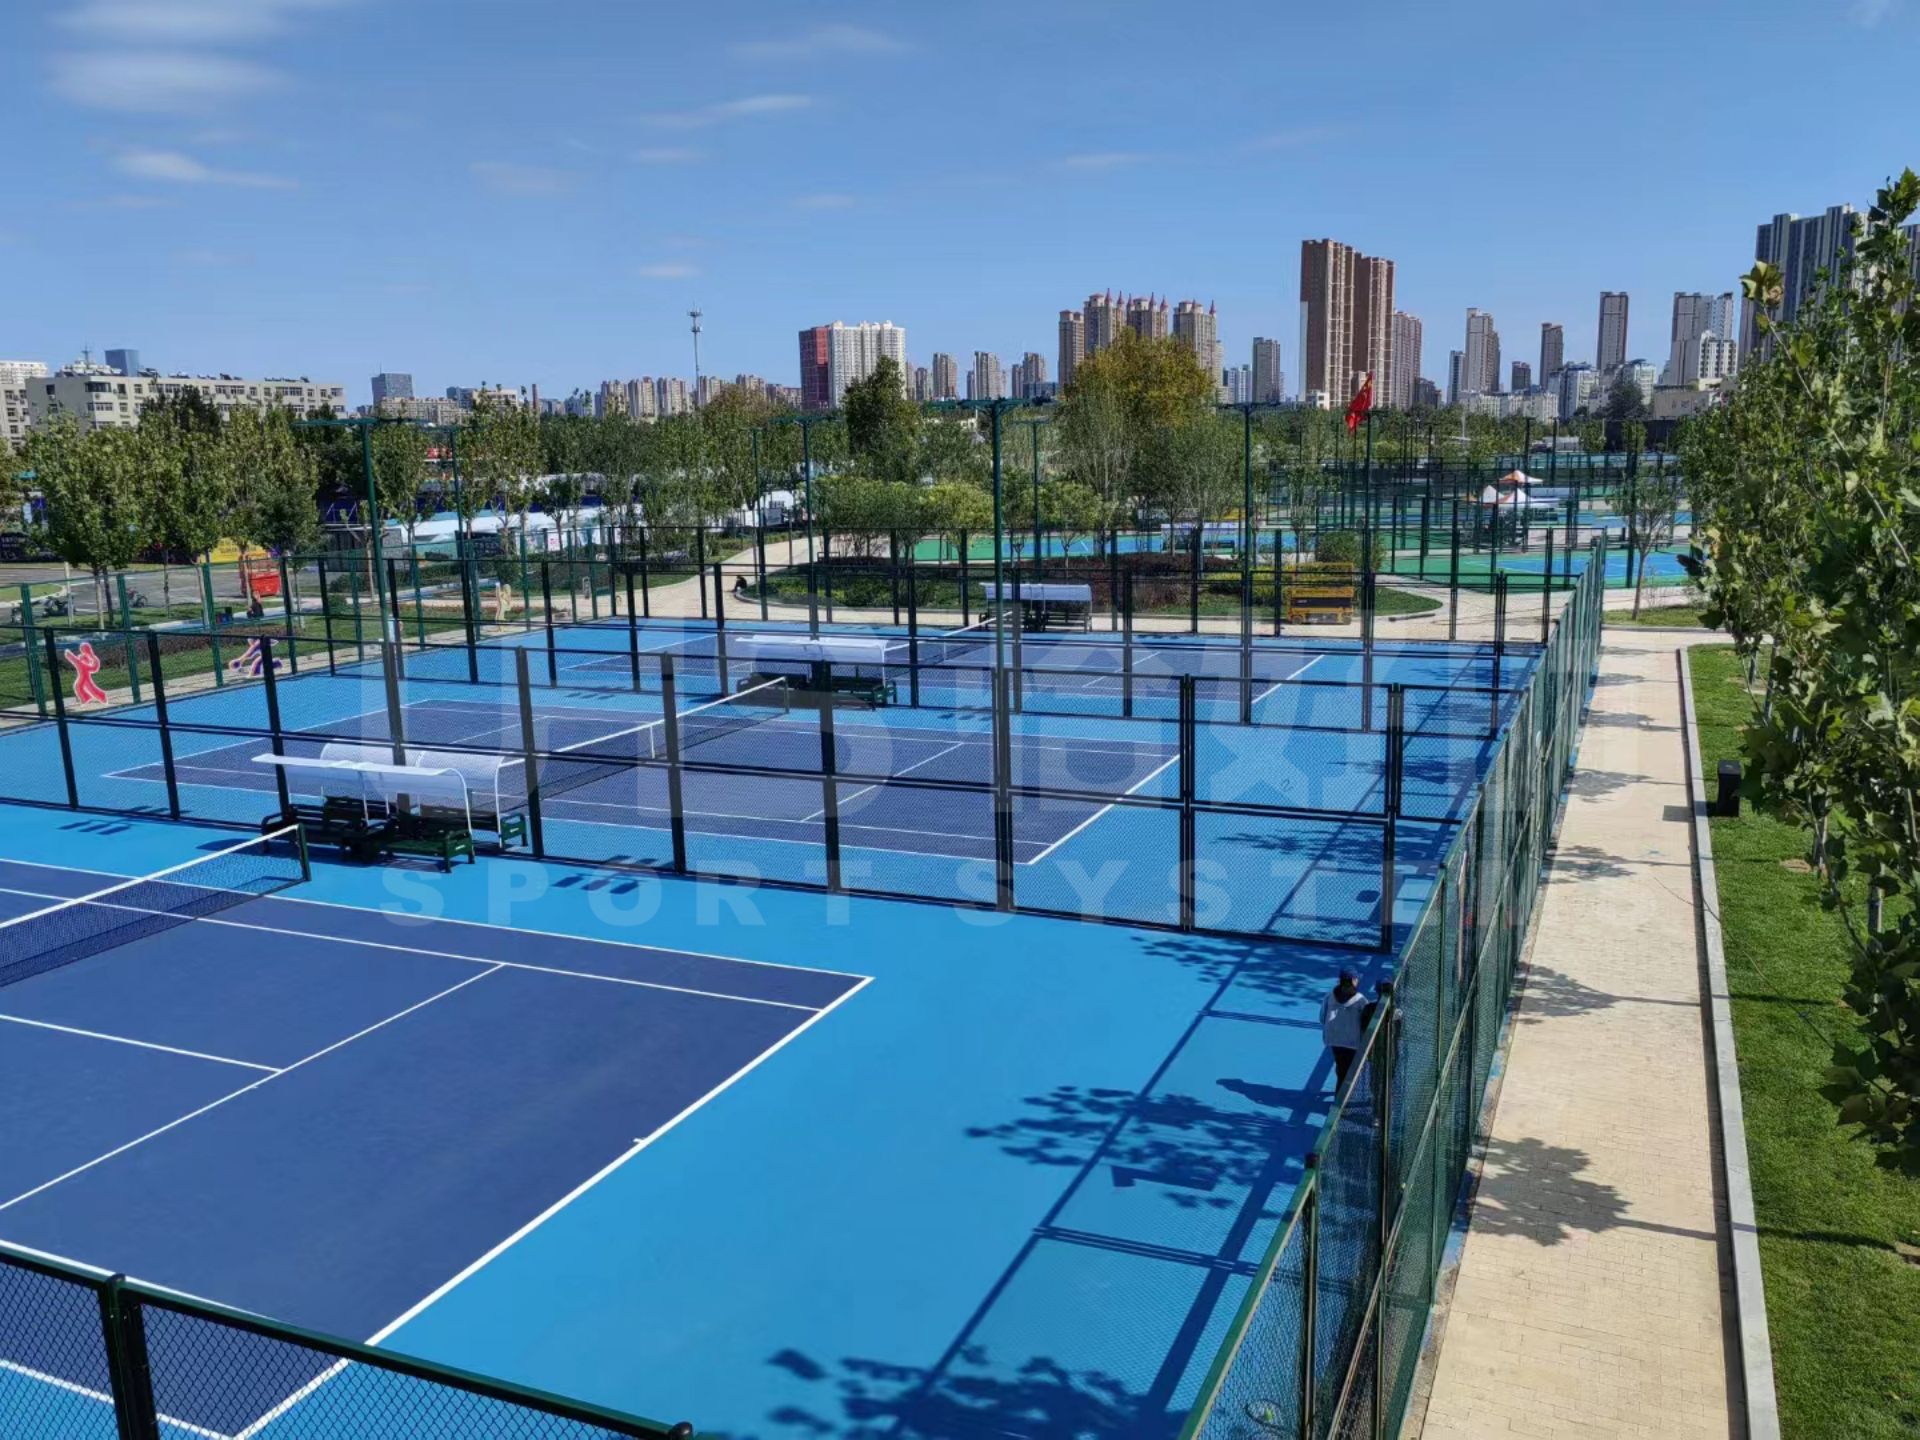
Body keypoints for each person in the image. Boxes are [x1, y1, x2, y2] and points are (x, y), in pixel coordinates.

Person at [1320, 970, 1369, 1094]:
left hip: (1334, 1040)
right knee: (1346, 1070)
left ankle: (1341, 1092)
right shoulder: (1360, 1000)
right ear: (1354, 981)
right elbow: (1367, 1019)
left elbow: (1322, 1017)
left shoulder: (1329, 996)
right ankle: (1340, 1098)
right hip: (1351, 1042)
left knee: (1341, 1065)